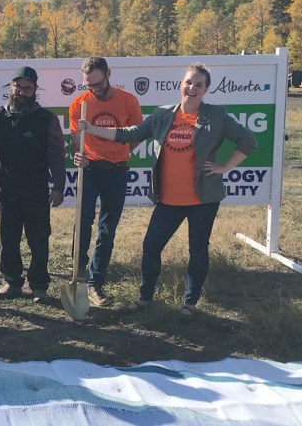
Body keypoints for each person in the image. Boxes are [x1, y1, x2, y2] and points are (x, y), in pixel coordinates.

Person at [78, 63, 257, 319]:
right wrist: (92, 129)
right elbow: (130, 133)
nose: (191, 88)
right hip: (168, 199)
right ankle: (144, 298)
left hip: (202, 199)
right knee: (150, 247)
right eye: (188, 82)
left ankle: (190, 303)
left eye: (198, 84)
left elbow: (248, 141)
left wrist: (223, 167)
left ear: (206, 89)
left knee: (197, 250)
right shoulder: (163, 115)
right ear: (180, 84)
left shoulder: (217, 116)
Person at [0, 67, 66, 304]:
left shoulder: (47, 119)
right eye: (17, 86)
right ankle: (12, 281)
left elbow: (57, 155)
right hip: (5, 190)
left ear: (35, 90)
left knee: (39, 239)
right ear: (11, 87)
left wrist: (58, 186)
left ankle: (39, 285)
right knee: (8, 239)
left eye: (27, 87)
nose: (21, 91)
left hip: (36, 191)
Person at [69, 57, 143, 307]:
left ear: (108, 74)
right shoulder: (79, 104)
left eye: (98, 84)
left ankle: (95, 283)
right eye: (89, 85)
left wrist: (118, 152)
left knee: (107, 229)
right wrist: (76, 155)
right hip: (89, 170)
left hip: (117, 172)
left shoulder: (128, 101)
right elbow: (75, 142)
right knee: (82, 221)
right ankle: (78, 272)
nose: (94, 89)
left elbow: (137, 135)